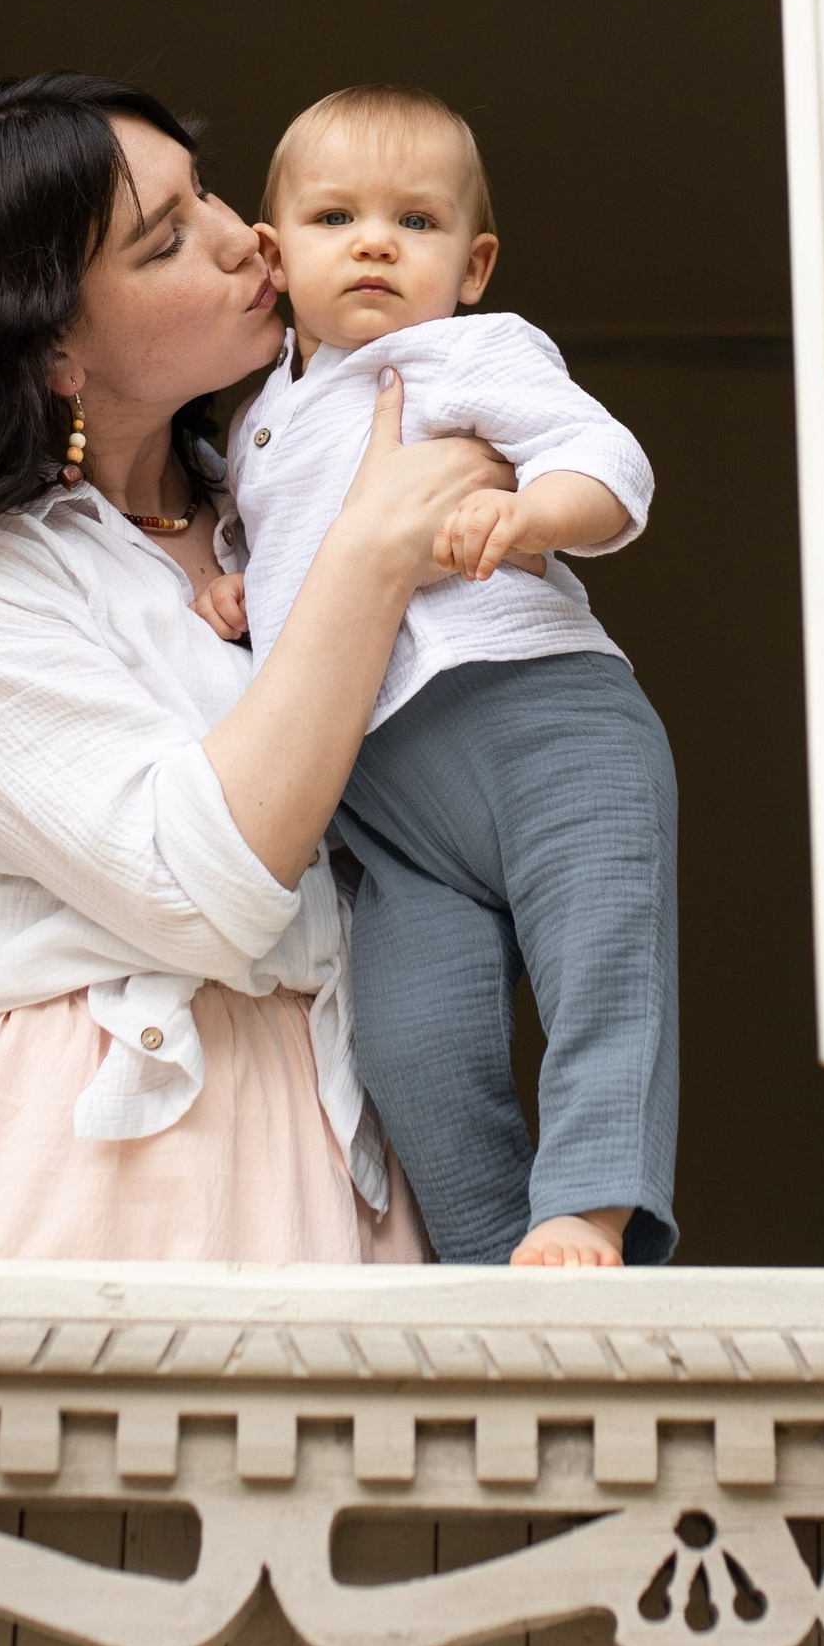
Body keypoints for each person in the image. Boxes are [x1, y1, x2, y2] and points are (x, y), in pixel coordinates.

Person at [0, 73, 510, 1263]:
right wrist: (374, 556)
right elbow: (199, 887)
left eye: (211, 193)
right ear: (52, 347)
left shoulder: (270, 509)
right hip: (64, 1155)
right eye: (167, 239)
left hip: (337, 1143)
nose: (248, 241)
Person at [208, 86, 678, 1272]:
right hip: (386, 805)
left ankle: (589, 1205)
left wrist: (530, 514)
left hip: (541, 717)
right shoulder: (254, 420)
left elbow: (605, 458)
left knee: (601, 960)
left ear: (471, 266)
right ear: (273, 258)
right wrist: (232, 588)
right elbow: (267, 537)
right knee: (409, 1037)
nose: (373, 241)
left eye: (414, 223)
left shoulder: (470, 350)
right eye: (334, 218)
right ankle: (485, 1254)